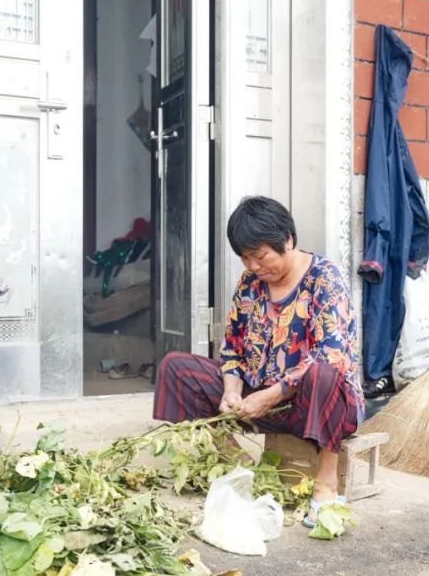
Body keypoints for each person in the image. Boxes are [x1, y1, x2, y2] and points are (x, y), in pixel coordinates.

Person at [153, 196, 364, 527]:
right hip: (258, 400)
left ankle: (326, 485)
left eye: (260, 255)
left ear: (288, 241)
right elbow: (232, 348)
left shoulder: (324, 279)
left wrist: (273, 394)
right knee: (176, 368)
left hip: (316, 405)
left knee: (324, 371)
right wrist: (231, 391)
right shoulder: (250, 285)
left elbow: (333, 352)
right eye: (245, 258)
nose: (253, 266)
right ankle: (235, 464)